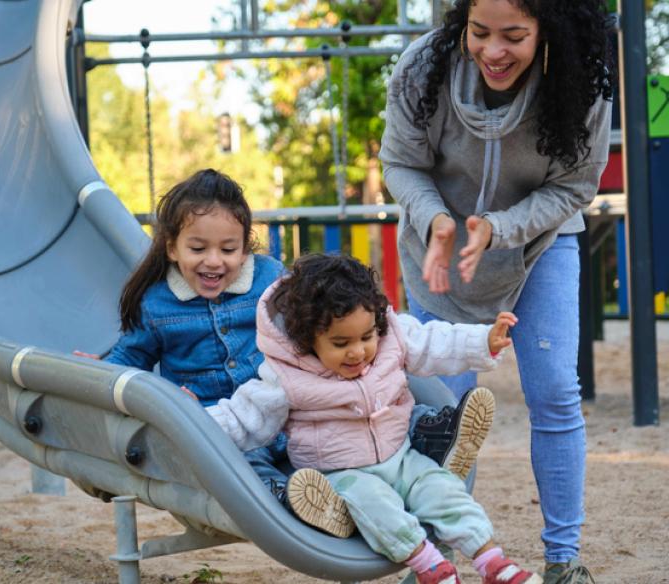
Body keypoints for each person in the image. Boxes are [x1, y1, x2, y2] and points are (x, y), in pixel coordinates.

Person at [379, 0, 613, 581]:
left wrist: (501, 229)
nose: (494, 51)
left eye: (514, 36)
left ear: (548, 31)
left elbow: (575, 185)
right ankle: (434, 559)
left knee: (556, 390)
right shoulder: (423, 67)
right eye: (479, 33)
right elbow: (399, 163)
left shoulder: (581, 80)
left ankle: (563, 560)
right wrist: (436, 219)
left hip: (539, 242)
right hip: (441, 249)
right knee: (443, 411)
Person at [207, 254, 541, 584]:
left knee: (444, 489)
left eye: (366, 337)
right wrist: (189, 422)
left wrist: (483, 340)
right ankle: (430, 566)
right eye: (341, 343)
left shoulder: (391, 337)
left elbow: (433, 342)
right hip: (341, 473)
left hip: (401, 456)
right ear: (308, 339)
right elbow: (243, 416)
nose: (358, 351)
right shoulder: (287, 377)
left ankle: (493, 563)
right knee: (373, 503)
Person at [75, 169, 350, 536]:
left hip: (282, 415)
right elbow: (131, 358)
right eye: (198, 248)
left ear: (245, 246)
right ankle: (285, 499)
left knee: (334, 438)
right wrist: (99, 373)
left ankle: (355, 492)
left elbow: (308, 323)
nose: (214, 261)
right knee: (242, 465)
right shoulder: (157, 302)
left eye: (228, 249)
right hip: (213, 429)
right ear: (172, 247)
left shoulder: (269, 279)